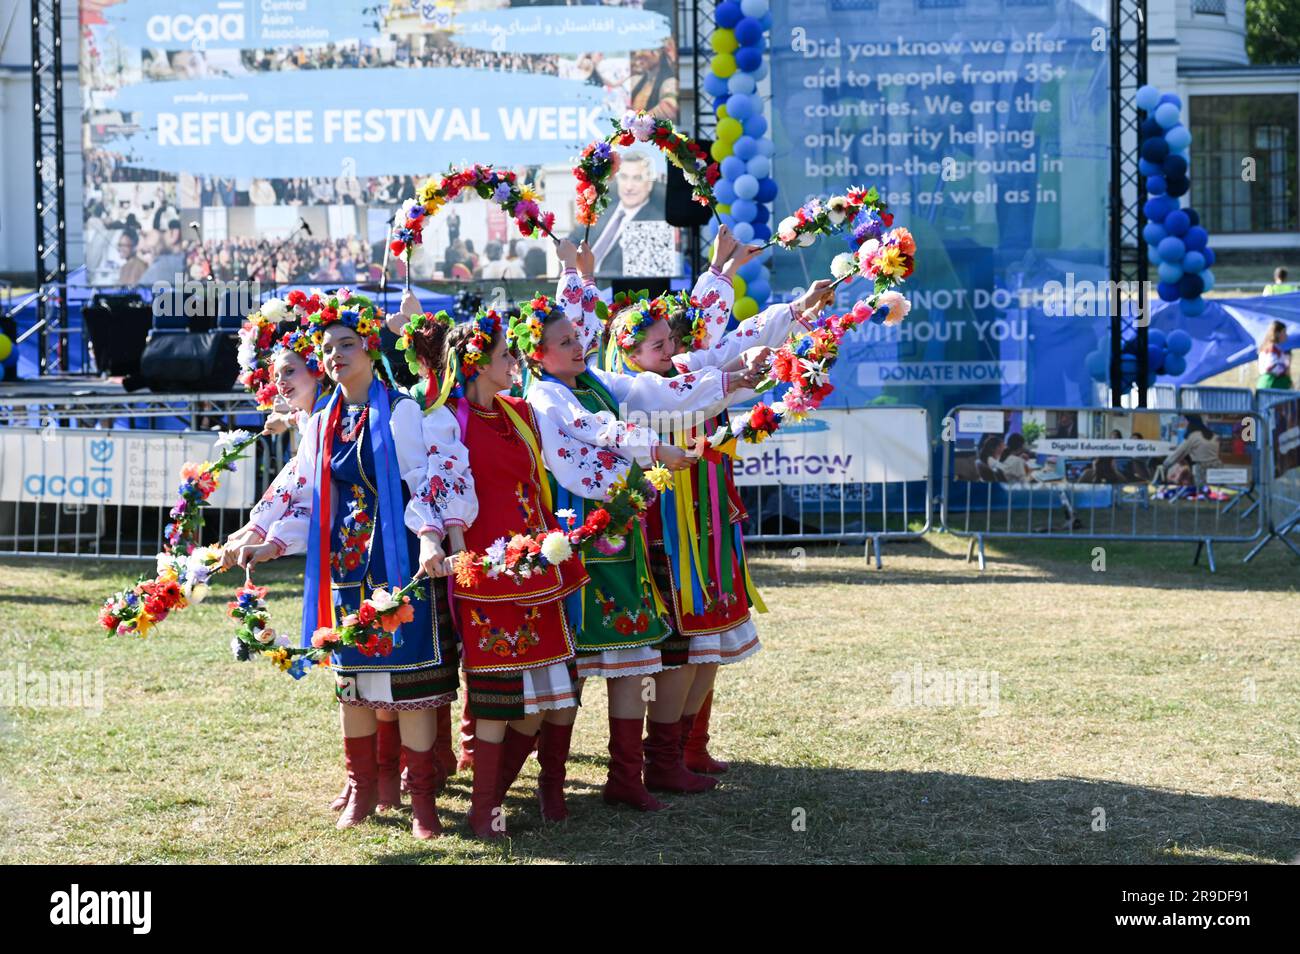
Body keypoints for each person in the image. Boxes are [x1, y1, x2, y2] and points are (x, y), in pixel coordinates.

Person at [515, 242, 751, 810]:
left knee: (634, 650)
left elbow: (655, 392)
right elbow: (594, 429)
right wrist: (654, 451)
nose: (579, 344)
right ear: (538, 355)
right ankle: (548, 784)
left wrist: (733, 380)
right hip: (576, 543)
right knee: (570, 662)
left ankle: (627, 777)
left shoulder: (596, 379)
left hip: (620, 535)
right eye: (566, 341)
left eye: (578, 337)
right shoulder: (546, 394)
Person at [237, 292, 466, 839]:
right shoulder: (321, 421)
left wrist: (430, 539)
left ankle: (422, 802)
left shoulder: (401, 410)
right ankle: (362, 790)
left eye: (347, 344)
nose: (335, 355)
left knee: (411, 681)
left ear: (369, 348)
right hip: (345, 566)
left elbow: (424, 482)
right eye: (327, 347)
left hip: (402, 562)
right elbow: (307, 493)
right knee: (353, 682)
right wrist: (270, 542)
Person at [419, 306, 590, 835]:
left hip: (541, 564)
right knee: (496, 698)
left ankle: (549, 788)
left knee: (559, 692)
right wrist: (449, 551)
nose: (514, 362)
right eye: (503, 355)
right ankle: (485, 810)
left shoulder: (520, 412)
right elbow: (439, 489)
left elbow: (557, 469)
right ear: (475, 364)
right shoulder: (447, 419)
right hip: (486, 571)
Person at [584, 151, 666, 276]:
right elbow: (574, 240)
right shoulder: (602, 210)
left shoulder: (657, 221)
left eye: (637, 178)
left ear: (649, 184)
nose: (629, 187)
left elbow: (644, 275)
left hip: (611, 285)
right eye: (624, 177)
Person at [1155, 414, 1221, 489]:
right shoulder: (1214, 435)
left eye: (1185, 422)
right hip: (1217, 466)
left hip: (1202, 468)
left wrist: (1165, 464)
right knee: (1215, 490)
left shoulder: (1194, 436)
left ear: (1190, 423)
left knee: (1202, 490)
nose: (1185, 424)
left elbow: (1179, 453)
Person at [1257, 319, 1292, 389]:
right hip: (1273, 384)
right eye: (1284, 332)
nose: (1286, 335)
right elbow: (1272, 368)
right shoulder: (1272, 349)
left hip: (1265, 383)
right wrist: (1287, 365)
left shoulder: (1266, 346)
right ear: (1277, 333)